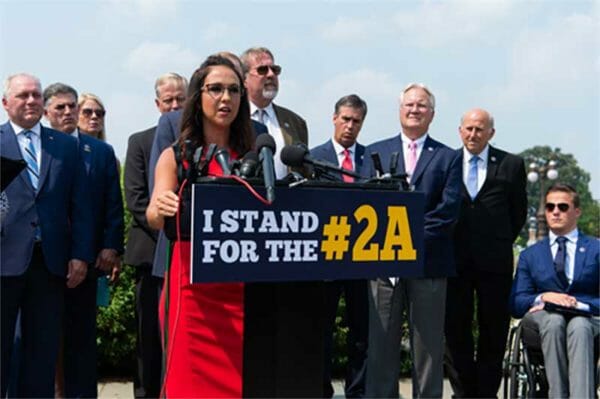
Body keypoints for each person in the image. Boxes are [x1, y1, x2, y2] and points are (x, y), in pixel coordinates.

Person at [146, 55, 254, 398]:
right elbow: (153, 214)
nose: (226, 98)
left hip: (242, 291)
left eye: (234, 90)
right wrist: (162, 204)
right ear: (198, 96)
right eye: (216, 89)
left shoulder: (253, 155)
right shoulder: (175, 155)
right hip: (190, 292)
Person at [363, 83, 462, 398]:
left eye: (422, 105)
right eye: (409, 104)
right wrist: (391, 244)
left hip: (429, 263)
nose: (415, 110)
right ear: (400, 110)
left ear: (432, 114)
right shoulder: (375, 152)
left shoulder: (448, 157)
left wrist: (406, 241)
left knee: (428, 349)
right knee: (380, 346)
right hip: (383, 265)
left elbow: (446, 213)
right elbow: (366, 205)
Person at [0, 73, 94, 397]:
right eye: (23, 95)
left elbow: (80, 205)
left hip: (51, 264)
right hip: (4, 263)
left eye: (36, 95)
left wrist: (81, 254)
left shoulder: (66, 146)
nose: (31, 101)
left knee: (41, 353)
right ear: (5, 102)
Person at [43, 82, 124, 397]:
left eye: (71, 106)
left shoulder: (100, 152)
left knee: (80, 342)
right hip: (43, 262)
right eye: (60, 107)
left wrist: (111, 246)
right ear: (47, 112)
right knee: (43, 341)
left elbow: (112, 204)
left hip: (88, 263)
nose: (67, 112)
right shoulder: (39, 148)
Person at [444, 108, 527, 398]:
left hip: (495, 262)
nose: (473, 134)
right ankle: (463, 392)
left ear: (491, 132)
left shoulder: (511, 164)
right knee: (455, 329)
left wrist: (497, 240)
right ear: (459, 131)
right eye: (468, 128)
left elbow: (519, 213)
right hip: (454, 260)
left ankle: (487, 393)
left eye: (479, 129)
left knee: (493, 330)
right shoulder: (447, 161)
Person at [124, 72, 187, 399]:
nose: (175, 106)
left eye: (181, 99)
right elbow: (137, 199)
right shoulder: (141, 141)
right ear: (157, 104)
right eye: (169, 101)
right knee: (150, 340)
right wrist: (172, 229)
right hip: (152, 256)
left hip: (188, 260)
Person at [510, 183, 599, 399]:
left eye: (562, 206)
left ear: (576, 211)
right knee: (554, 321)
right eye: (550, 207)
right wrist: (543, 297)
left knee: (578, 326)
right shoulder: (531, 255)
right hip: (542, 320)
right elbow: (517, 302)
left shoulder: (596, 250)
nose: (555, 212)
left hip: (587, 319)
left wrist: (578, 305)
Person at [310, 94, 368, 398]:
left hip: (361, 258)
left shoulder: (371, 159)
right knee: (322, 330)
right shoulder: (313, 156)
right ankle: (321, 390)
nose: (349, 126)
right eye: (345, 119)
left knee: (362, 333)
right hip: (325, 257)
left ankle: (356, 391)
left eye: (356, 121)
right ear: (334, 118)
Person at [241, 46, 308, 179]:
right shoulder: (233, 118)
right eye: (262, 70)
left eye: (275, 70)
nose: (271, 75)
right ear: (244, 79)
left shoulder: (295, 122)